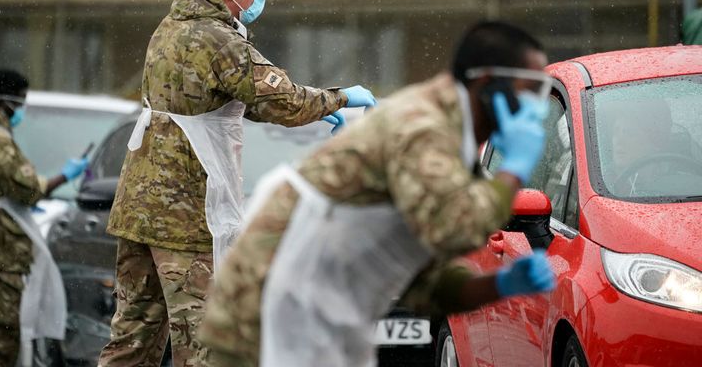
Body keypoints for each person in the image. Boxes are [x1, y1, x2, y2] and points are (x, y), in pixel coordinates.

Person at [198, 21, 558, 367]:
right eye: (533, 89)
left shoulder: (453, 144)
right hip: (274, 304)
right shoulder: (423, 127)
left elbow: (424, 285)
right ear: (489, 84)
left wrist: (500, 284)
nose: (539, 107)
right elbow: (454, 226)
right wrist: (514, 169)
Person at [97, 0, 377, 367]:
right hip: (185, 212)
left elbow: (241, 98)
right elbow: (282, 99)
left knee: (132, 341)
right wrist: (339, 97)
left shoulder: (172, 26)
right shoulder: (219, 39)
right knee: (206, 345)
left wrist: (322, 111)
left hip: (141, 206)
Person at [0, 69, 89, 367]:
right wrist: (64, 176)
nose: (22, 110)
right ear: (4, 102)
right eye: (21, 103)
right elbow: (28, 189)